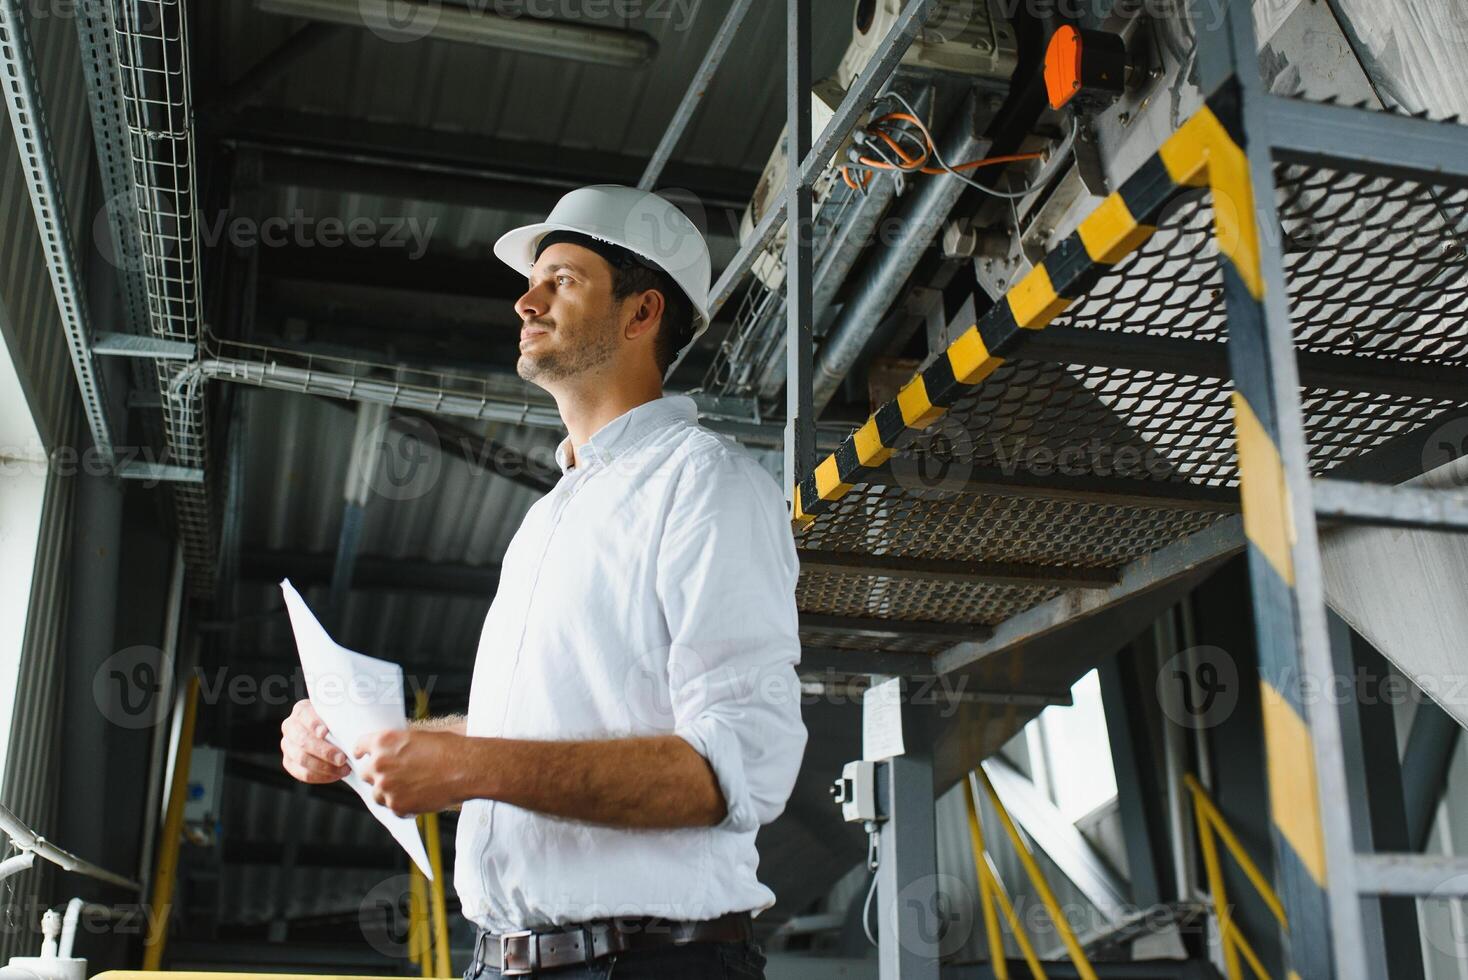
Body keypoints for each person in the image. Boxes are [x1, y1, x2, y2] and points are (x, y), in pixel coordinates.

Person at [280, 185, 808, 979]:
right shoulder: (550, 517)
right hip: (506, 960)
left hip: (643, 963)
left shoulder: (707, 485)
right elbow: (528, 730)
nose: (526, 302)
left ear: (641, 314)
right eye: (533, 283)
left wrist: (470, 768)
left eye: (562, 279)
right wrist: (372, 746)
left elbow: (737, 762)